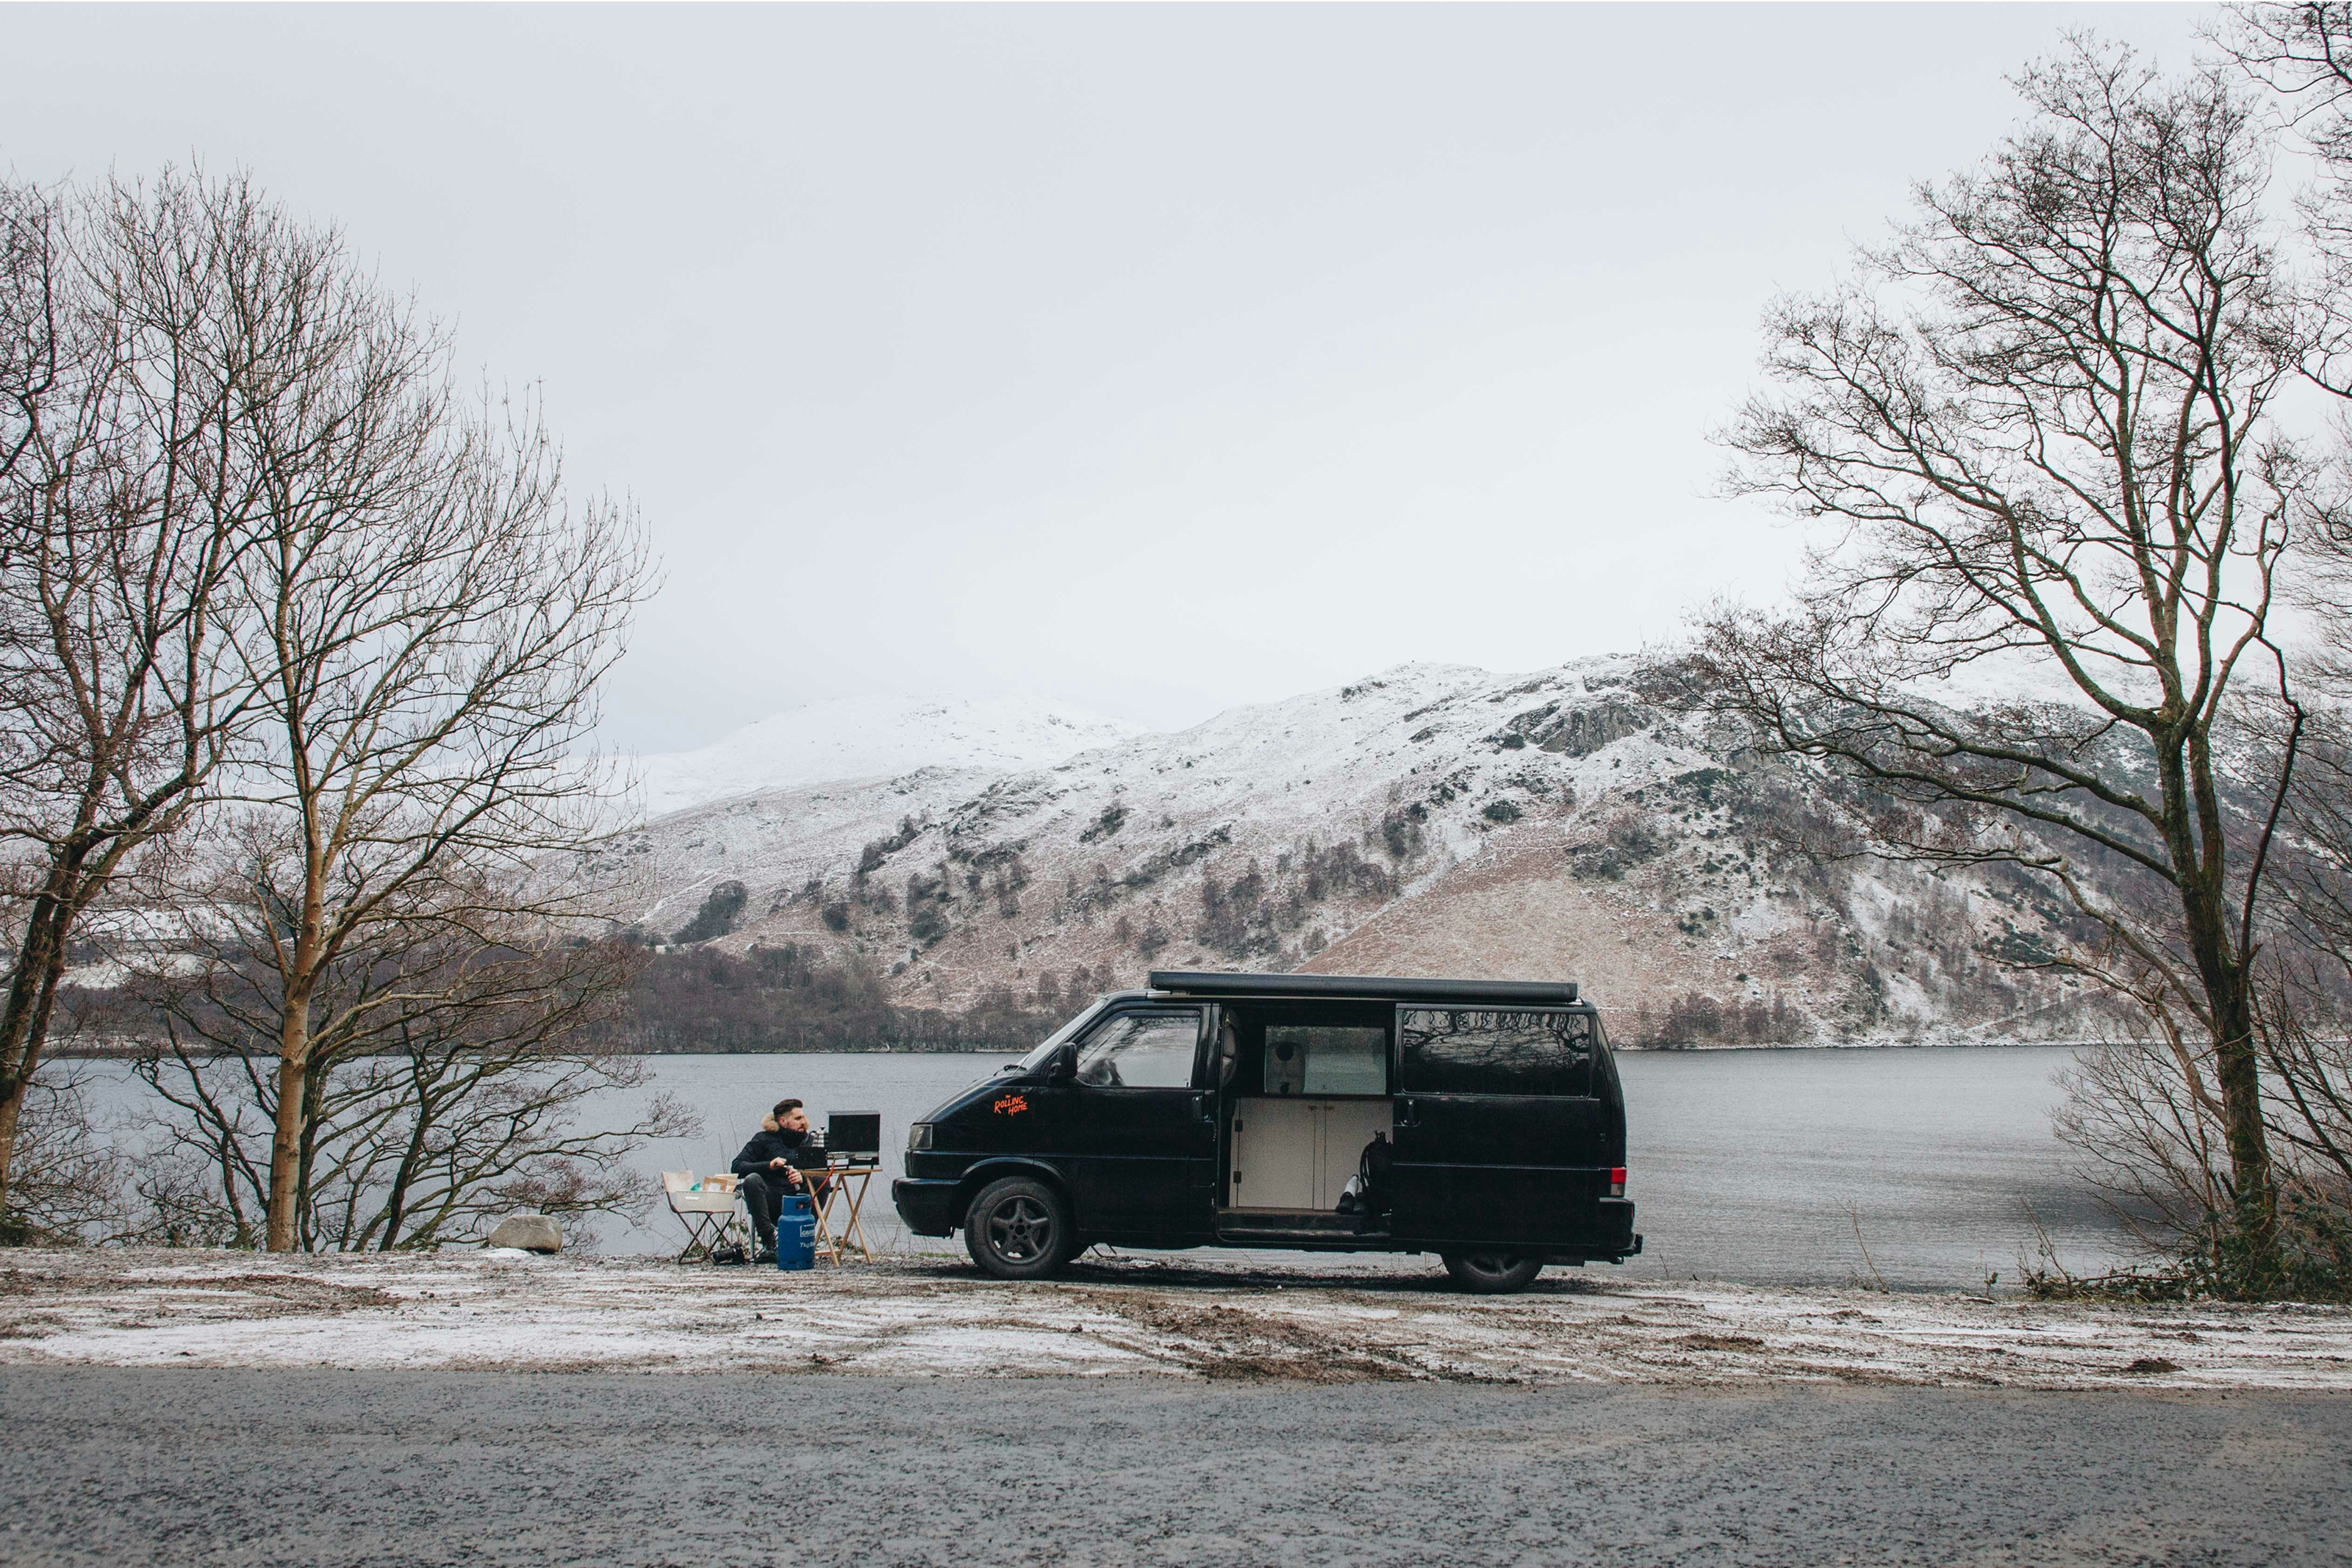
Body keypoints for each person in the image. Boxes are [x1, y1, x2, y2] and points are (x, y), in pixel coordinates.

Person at [732, 1098, 832, 1262]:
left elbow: (823, 1170)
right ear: (783, 1121)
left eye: (803, 1118)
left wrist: (803, 1177)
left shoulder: (811, 1141)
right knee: (752, 1180)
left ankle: (802, 1237)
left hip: (799, 1200)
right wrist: (769, 1166)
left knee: (821, 1180)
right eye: (798, 1119)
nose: (803, 1122)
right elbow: (737, 1166)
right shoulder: (763, 1139)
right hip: (770, 1200)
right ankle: (769, 1244)